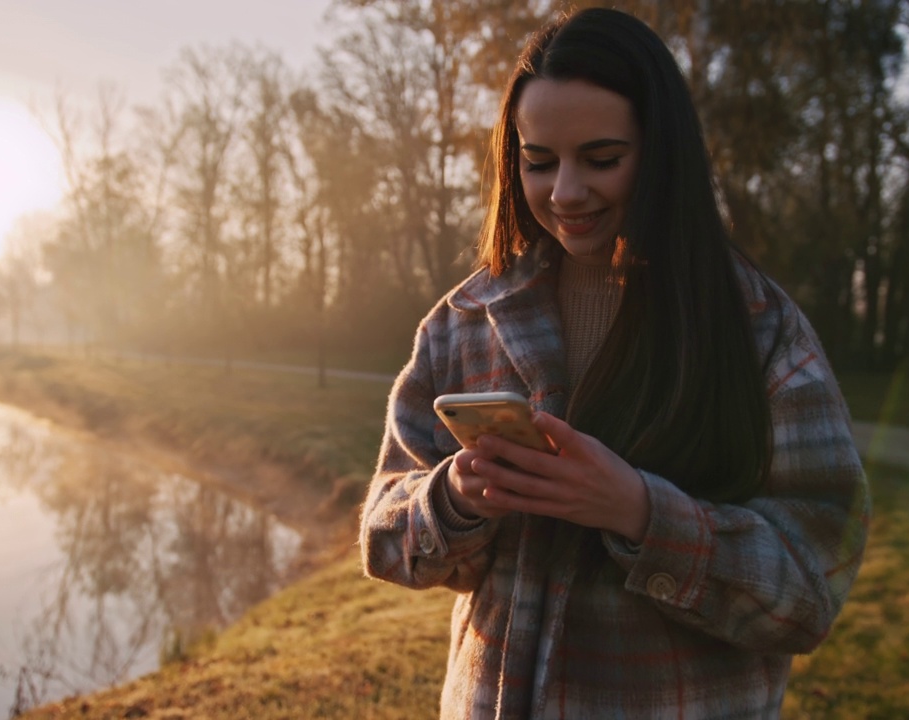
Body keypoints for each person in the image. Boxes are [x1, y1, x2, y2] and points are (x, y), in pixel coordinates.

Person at [359, 7, 869, 719]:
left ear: (662, 154)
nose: (565, 192)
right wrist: (452, 498)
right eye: (539, 162)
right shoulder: (462, 323)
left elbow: (810, 596)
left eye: (601, 159)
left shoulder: (761, 331)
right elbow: (384, 542)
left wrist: (640, 511)